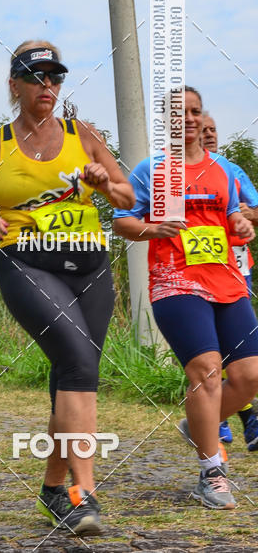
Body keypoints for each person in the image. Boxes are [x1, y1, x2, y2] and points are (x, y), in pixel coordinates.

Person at [0, 41, 134, 536]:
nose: (47, 87)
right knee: (77, 361)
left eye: (54, 78)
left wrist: (102, 182)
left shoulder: (85, 135)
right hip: (27, 263)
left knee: (73, 373)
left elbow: (127, 196)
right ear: (14, 86)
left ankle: (54, 489)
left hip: (90, 265)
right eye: (36, 79)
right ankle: (85, 493)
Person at [113, 86, 258, 509]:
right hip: (175, 282)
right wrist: (152, 229)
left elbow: (233, 214)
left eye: (196, 112)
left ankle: (198, 423)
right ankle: (212, 472)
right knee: (207, 372)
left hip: (226, 281)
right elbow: (123, 221)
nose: (190, 119)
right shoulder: (150, 169)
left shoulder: (222, 170)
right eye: (181, 113)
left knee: (249, 376)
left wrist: (243, 227)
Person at [202, 112, 258, 451]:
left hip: (236, 266)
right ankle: (235, 416)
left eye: (213, 129)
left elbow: (257, 209)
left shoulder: (232, 170)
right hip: (196, 268)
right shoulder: (176, 172)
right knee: (211, 345)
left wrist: (238, 213)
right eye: (202, 129)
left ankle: (240, 415)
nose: (208, 134)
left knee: (240, 345)